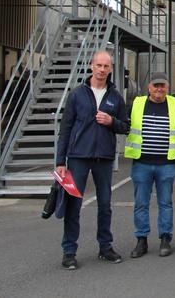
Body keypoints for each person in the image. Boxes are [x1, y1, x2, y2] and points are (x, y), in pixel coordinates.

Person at [55, 50, 129, 270]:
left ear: (110, 69)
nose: (102, 69)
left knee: (105, 204)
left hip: (104, 158)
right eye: (99, 65)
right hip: (78, 157)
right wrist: (60, 161)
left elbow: (125, 126)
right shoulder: (78, 94)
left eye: (106, 66)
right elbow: (66, 128)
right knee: (73, 205)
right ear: (91, 66)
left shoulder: (115, 97)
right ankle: (69, 251)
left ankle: (105, 247)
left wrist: (111, 121)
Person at [126, 72, 175, 258]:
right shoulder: (136, 104)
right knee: (141, 204)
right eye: (156, 85)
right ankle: (141, 241)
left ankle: (165, 239)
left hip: (166, 164)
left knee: (165, 204)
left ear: (168, 88)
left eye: (163, 85)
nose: (159, 89)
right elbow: (127, 125)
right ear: (149, 87)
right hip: (141, 163)